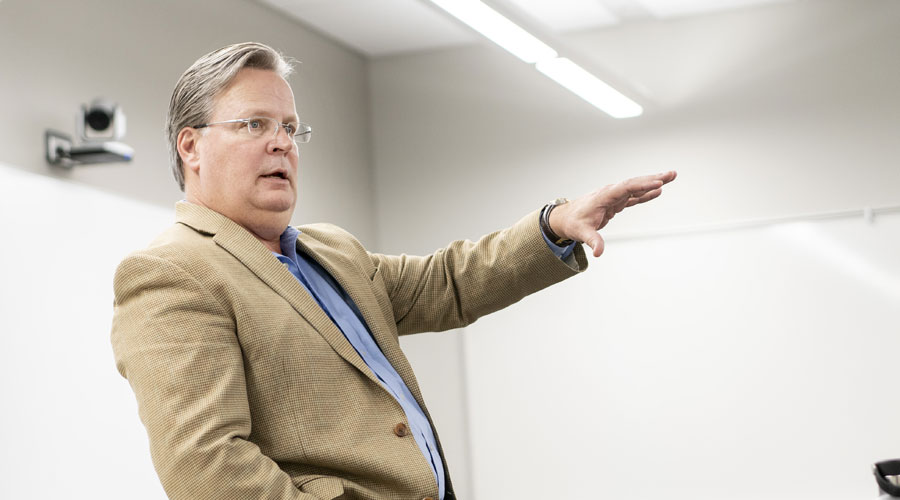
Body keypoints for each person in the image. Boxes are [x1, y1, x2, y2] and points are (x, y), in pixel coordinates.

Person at [110, 42, 676, 500]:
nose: (282, 143)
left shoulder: (331, 252)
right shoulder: (172, 272)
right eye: (255, 125)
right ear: (192, 147)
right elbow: (206, 468)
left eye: (291, 127)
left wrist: (553, 225)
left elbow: (449, 283)